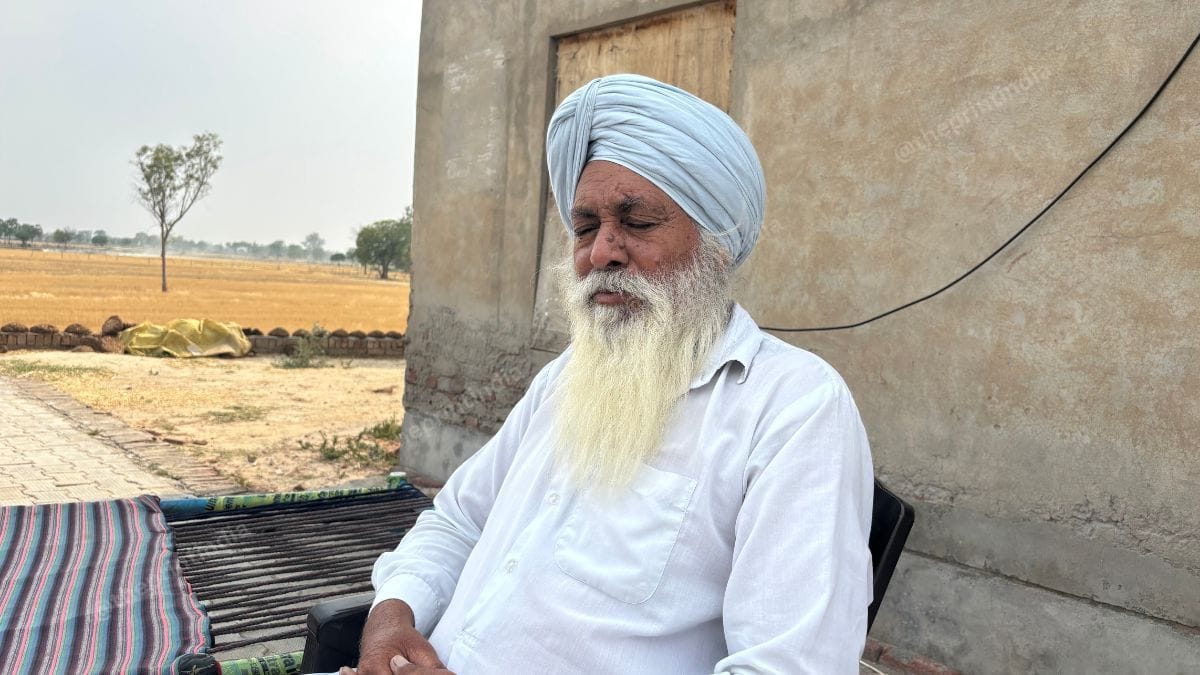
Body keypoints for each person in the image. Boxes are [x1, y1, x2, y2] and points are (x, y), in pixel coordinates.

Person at [342, 74, 873, 675]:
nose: (601, 253)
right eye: (587, 226)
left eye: (638, 223)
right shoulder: (569, 376)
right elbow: (459, 520)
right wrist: (391, 620)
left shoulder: (793, 408)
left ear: (718, 244)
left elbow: (786, 666)